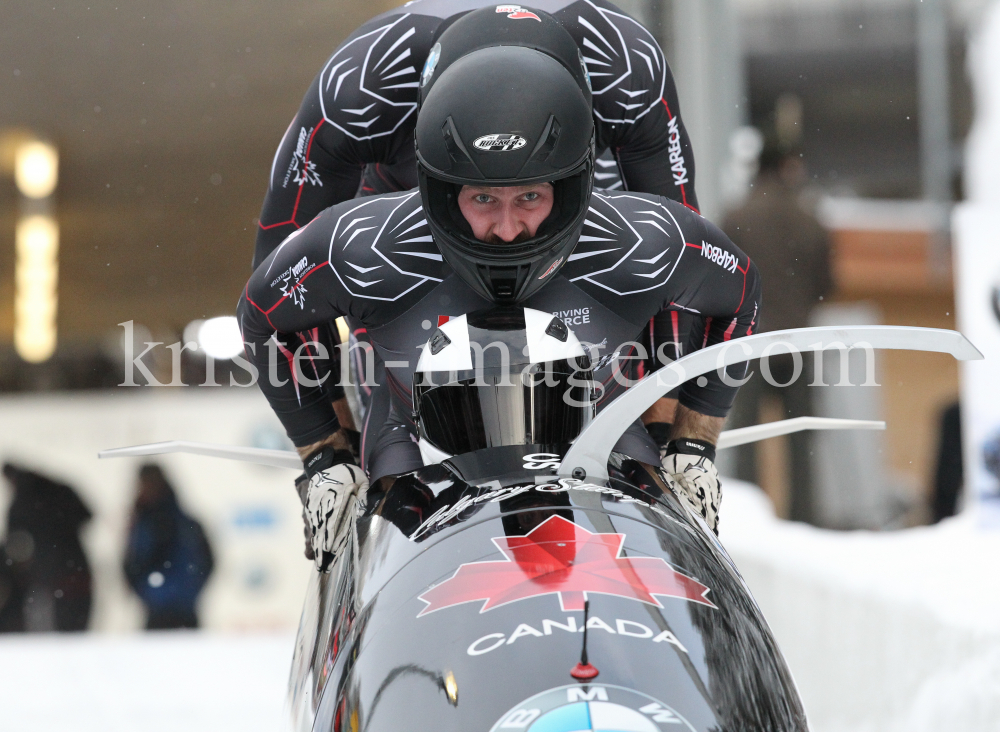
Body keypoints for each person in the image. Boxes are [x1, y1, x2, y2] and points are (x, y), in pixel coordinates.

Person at [237, 28, 761, 570]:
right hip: (395, 254)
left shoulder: (638, 226)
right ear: (442, 188)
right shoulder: (368, 237)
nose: (507, 231)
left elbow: (734, 289)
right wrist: (328, 452)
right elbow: (264, 311)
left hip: (596, 359)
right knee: (385, 430)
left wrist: (684, 440)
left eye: (529, 197)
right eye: (484, 198)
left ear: (571, 186)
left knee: (640, 421)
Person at [253, 3, 702, 466]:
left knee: (612, 356)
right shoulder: (362, 87)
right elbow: (284, 273)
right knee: (390, 400)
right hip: (410, 195)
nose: (507, 234)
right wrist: (330, 450)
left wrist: (665, 430)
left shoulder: (623, 66)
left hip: (571, 190)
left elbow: (681, 262)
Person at [721, 140, 831, 523]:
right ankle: (804, 520)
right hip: (799, 341)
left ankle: (749, 522)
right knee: (803, 439)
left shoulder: (737, 217)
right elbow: (827, 285)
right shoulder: (810, 218)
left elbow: (720, 281)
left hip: (750, 344)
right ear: (786, 167)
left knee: (745, 438)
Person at [1, 463, 93, 632]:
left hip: (47, 577)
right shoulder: (59, 491)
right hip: (74, 570)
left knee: (46, 634)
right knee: (74, 630)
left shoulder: (21, 504)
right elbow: (87, 515)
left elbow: (14, 544)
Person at [123, 464, 214, 630]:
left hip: (183, 610)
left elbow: (208, 562)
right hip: (157, 611)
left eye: (150, 483)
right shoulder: (142, 523)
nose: (147, 488)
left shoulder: (184, 523)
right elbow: (130, 564)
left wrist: (190, 591)